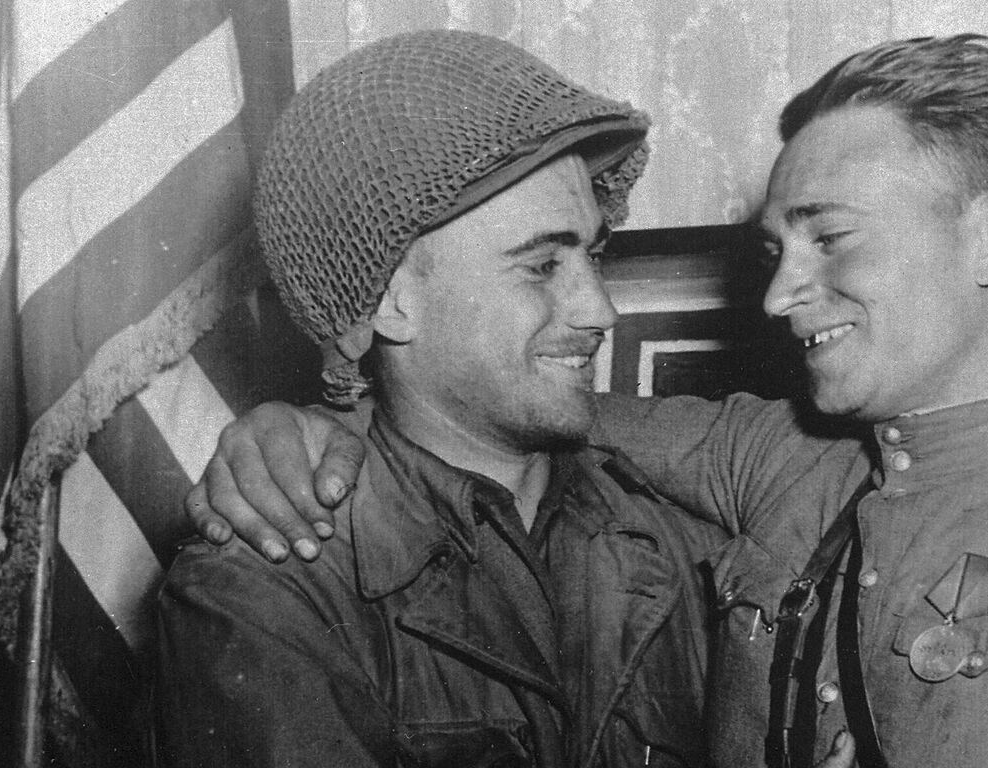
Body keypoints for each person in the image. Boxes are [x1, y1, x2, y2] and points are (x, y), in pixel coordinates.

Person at [187, 34, 988, 768]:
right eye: (543, 264)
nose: (781, 293)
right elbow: (475, 421)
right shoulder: (777, 478)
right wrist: (317, 423)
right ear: (390, 301)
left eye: (829, 238)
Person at [155, 30, 727, 767]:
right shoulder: (262, 592)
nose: (599, 309)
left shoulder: (686, 535)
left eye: (594, 255)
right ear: (392, 302)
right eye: (541, 265)